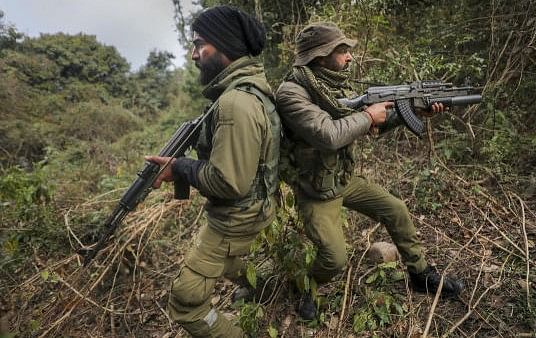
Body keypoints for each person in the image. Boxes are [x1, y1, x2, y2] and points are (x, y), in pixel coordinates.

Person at [275, 22, 464, 320]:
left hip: (342, 177)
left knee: (396, 209)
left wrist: (411, 112)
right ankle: (307, 287)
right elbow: (328, 135)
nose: (350, 57)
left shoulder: (331, 85)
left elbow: (373, 123)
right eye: (342, 50)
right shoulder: (291, 93)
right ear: (320, 56)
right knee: (335, 258)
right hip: (316, 188)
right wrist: (366, 115)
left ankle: (420, 274)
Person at [146, 6, 280, 337]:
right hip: (255, 210)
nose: (193, 55)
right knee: (234, 264)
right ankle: (270, 288)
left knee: (186, 302)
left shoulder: (236, 102)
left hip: (234, 218)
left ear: (225, 45)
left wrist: (181, 167)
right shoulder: (252, 90)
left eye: (199, 44)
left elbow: (228, 182)